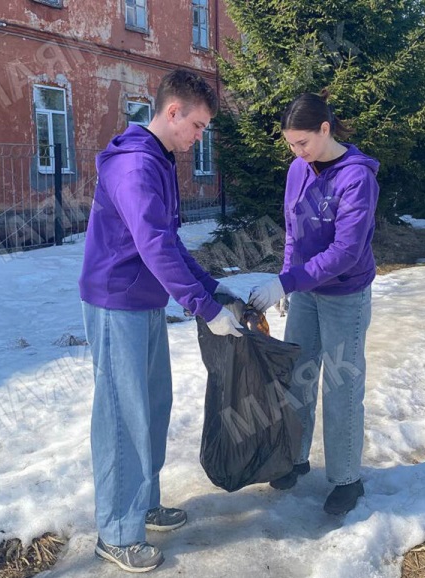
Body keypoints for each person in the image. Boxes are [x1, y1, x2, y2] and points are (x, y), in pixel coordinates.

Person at [79, 68, 243, 573]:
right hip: (116, 303)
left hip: (143, 301)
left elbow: (170, 244)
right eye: (197, 126)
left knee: (152, 406)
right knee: (122, 415)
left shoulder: (158, 160)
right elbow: (154, 248)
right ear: (173, 112)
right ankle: (117, 532)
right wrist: (204, 309)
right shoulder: (135, 167)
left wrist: (213, 289)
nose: (199, 137)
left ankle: (143, 504)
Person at [249, 92, 379, 516]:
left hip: (346, 295)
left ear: (326, 129)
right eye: (290, 144)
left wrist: (288, 280)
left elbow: (346, 251)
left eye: (302, 142)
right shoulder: (297, 170)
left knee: (341, 386)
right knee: (298, 375)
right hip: (306, 291)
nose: (297, 152)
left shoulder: (356, 178)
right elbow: (294, 231)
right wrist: (287, 281)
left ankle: (347, 479)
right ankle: (295, 457)